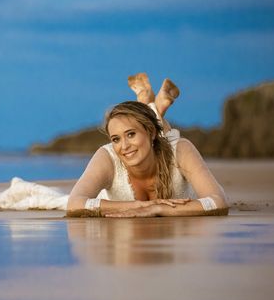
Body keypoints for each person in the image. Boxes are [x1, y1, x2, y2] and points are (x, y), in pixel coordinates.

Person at [65, 73, 229, 217]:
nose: (124, 146)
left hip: (159, 143)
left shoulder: (181, 150)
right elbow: (74, 204)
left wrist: (158, 209)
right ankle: (151, 105)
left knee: (165, 140)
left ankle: (149, 105)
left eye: (131, 134)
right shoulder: (108, 157)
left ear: (151, 133)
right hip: (152, 138)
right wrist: (136, 206)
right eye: (116, 139)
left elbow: (218, 201)